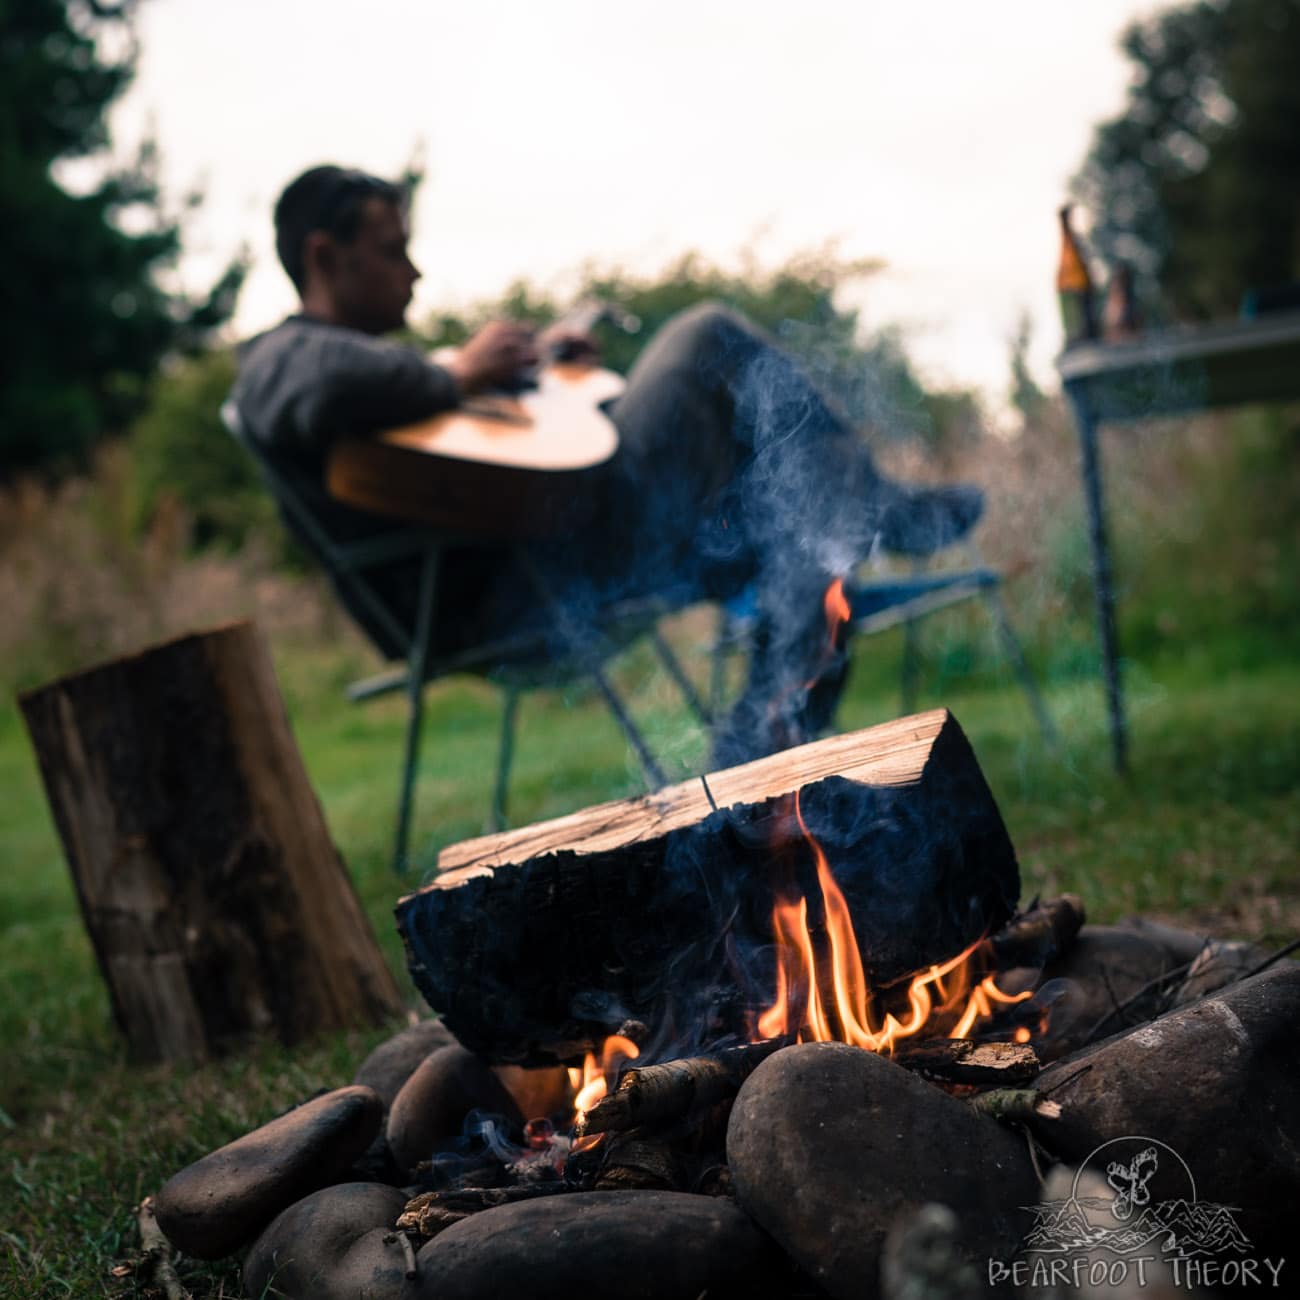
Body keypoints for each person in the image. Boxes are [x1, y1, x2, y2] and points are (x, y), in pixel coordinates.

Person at [231, 165, 983, 765]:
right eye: (392, 249)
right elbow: (309, 387)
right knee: (707, 332)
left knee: (805, 541)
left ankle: (756, 764)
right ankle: (883, 509)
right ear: (323, 257)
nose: (415, 271)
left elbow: (496, 463)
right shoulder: (278, 360)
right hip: (536, 585)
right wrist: (459, 372)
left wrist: (544, 378)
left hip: (556, 562)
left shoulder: (388, 390)